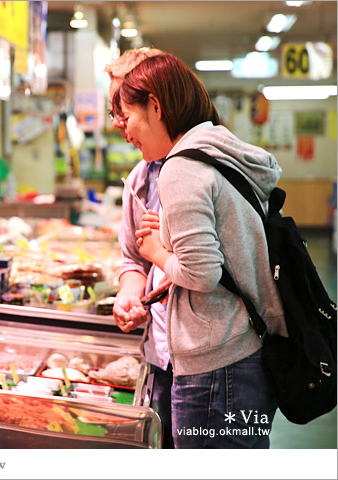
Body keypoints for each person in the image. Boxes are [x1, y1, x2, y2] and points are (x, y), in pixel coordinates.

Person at [117, 52, 286, 448]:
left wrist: (158, 252)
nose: (125, 131)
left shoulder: (181, 167)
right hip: (246, 352)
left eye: (129, 116)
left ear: (156, 106)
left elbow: (202, 273)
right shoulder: (219, 151)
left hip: (215, 367)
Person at [106, 48, 176, 449]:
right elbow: (133, 256)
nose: (118, 122)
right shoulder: (139, 177)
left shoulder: (199, 171)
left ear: (155, 103)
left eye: (123, 107)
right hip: (158, 354)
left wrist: (163, 254)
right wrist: (129, 296)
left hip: (206, 364)